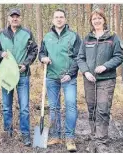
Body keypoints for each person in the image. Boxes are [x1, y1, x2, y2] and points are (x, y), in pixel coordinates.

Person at [76, 9, 123, 153]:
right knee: (92, 109)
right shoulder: (87, 39)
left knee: (103, 110)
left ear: (104, 20)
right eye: (94, 19)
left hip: (106, 80)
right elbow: (80, 58)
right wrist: (85, 72)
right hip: (89, 80)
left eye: (99, 18)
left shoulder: (112, 37)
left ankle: (102, 141)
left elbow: (119, 56)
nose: (97, 21)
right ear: (91, 22)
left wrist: (105, 66)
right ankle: (94, 138)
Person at [0, 8, 38, 146]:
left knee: (24, 107)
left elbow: (34, 50)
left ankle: (25, 135)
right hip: (7, 75)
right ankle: (8, 133)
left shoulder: (27, 33)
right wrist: (1, 54)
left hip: (23, 75)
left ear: (20, 18)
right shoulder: (1, 35)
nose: (15, 18)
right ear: (8, 19)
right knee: (6, 106)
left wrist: (26, 64)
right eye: (12, 16)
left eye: (17, 16)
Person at [38, 9, 81, 152]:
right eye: (56, 17)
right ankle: (56, 135)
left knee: (70, 106)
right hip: (51, 77)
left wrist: (71, 73)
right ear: (52, 20)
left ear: (65, 19)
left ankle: (70, 138)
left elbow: (78, 57)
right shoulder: (47, 37)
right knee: (54, 107)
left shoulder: (73, 36)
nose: (59, 19)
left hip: (68, 78)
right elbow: (42, 53)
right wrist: (43, 58)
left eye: (61, 17)